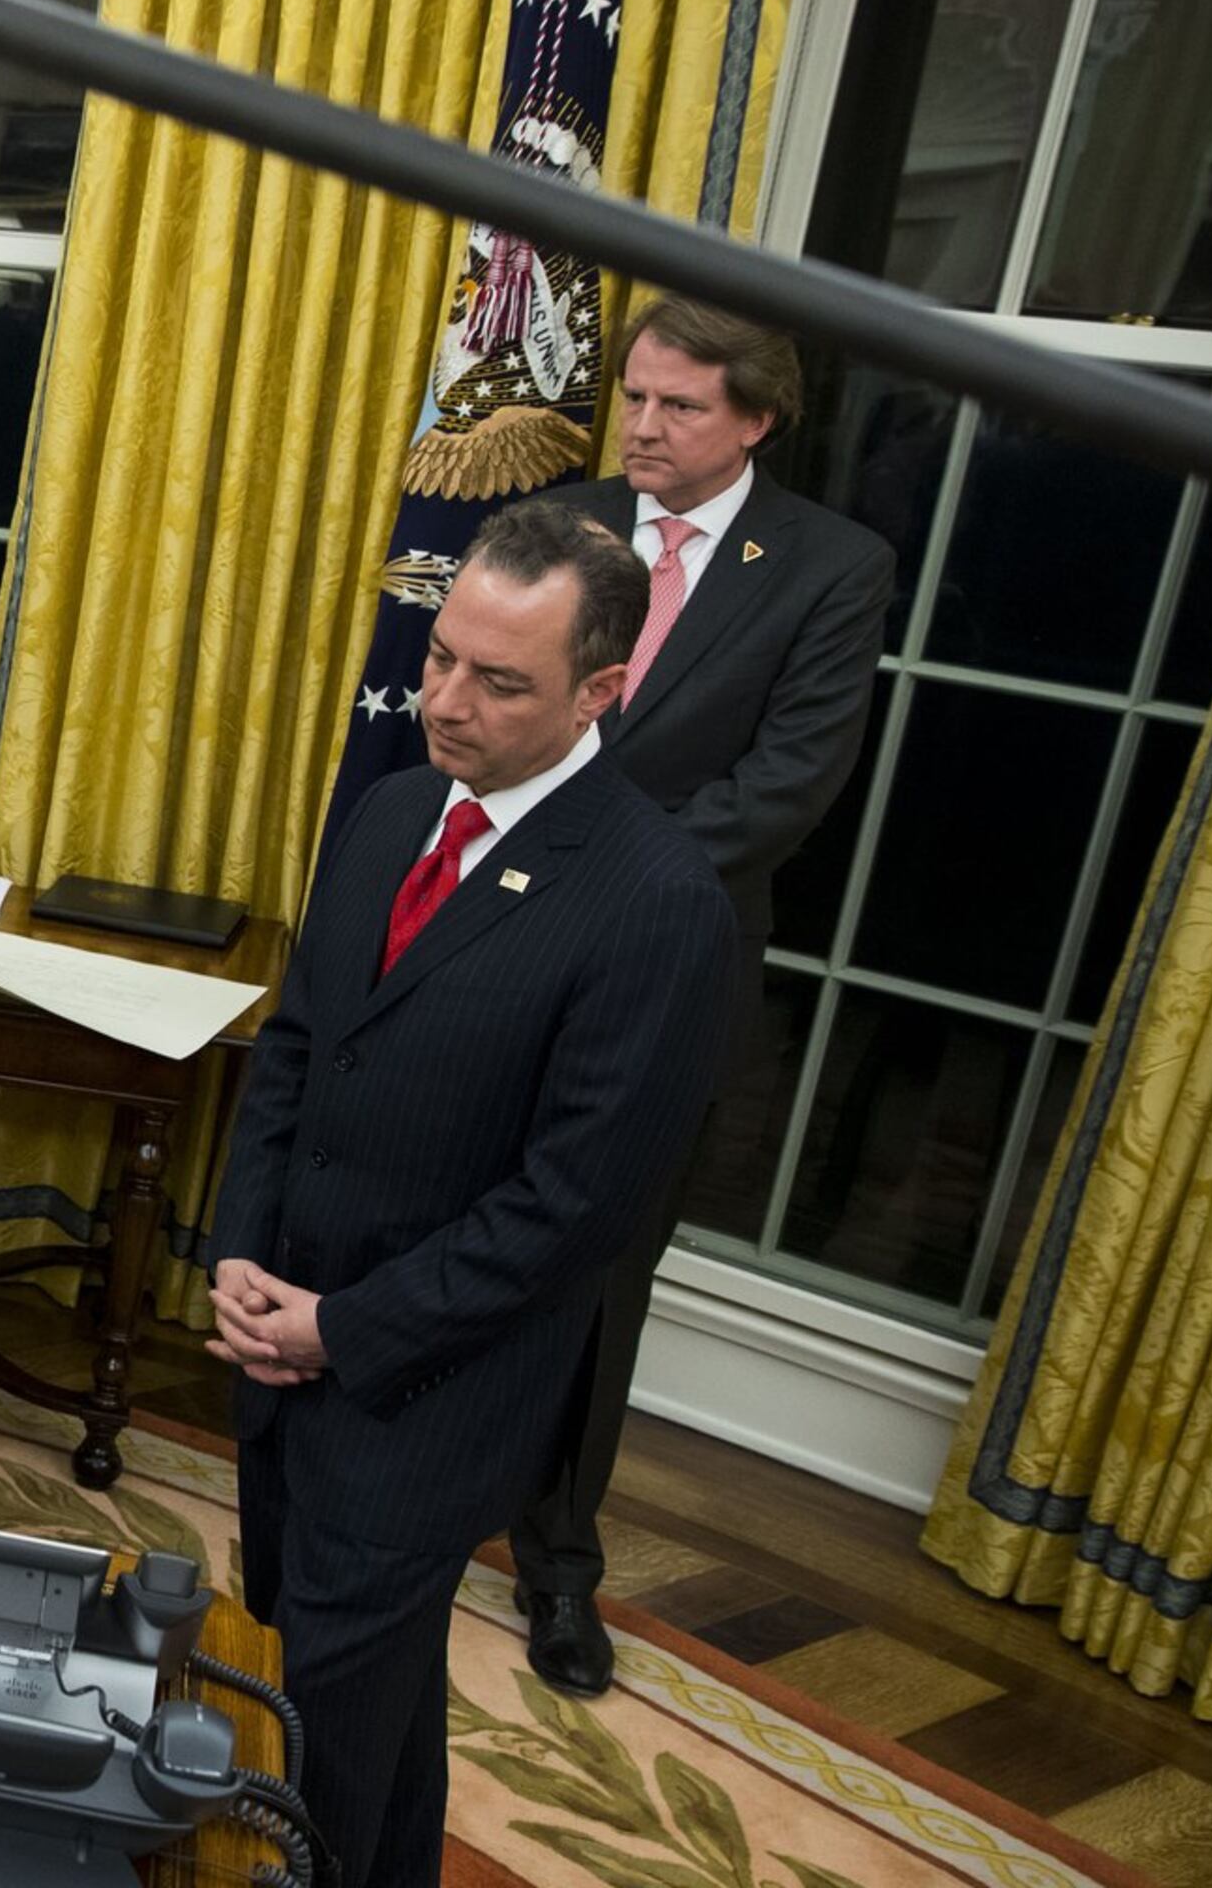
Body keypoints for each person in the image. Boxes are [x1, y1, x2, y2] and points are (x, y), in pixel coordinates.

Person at [206, 499, 738, 1888]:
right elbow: (301, 1052)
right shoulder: (389, 811)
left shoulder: (657, 904)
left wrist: (344, 1329)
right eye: (441, 657)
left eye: (498, 682)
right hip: (286, 1354)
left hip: (428, 1399)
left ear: (600, 692)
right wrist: (240, 1261)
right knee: (350, 1689)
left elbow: (574, 1210)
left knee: (315, 1716)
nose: (443, 699)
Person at [512, 296, 896, 1695]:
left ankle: (559, 1566)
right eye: (633, 395)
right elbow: (494, 704)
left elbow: (787, 785)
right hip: (497, 942)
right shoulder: (567, 518)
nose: (642, 427)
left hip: (668, 966)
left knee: (606, 1272)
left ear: (757, 418)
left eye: (677, 406)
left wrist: (592, 872)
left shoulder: (830, 566)